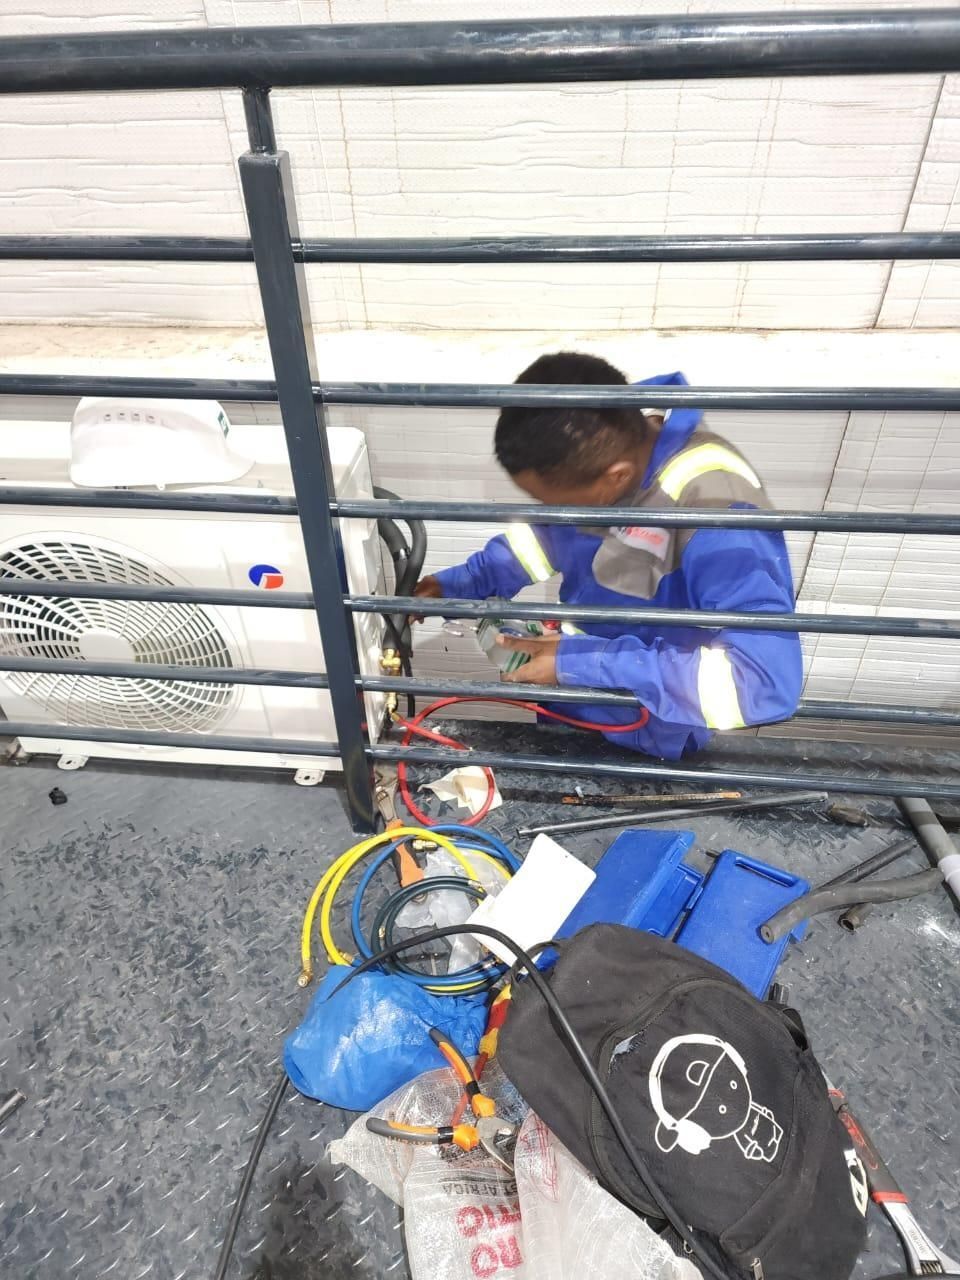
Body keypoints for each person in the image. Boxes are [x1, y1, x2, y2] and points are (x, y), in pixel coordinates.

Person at [413, 352, 802, 760]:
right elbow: (545, 538)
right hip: (569, 703)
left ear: (616, 476)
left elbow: (762, 683)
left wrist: (585, 663)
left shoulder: (719, 511)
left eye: (556, 502)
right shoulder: (595, 453)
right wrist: (458, 585)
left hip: (649, 735)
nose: (550, 512)